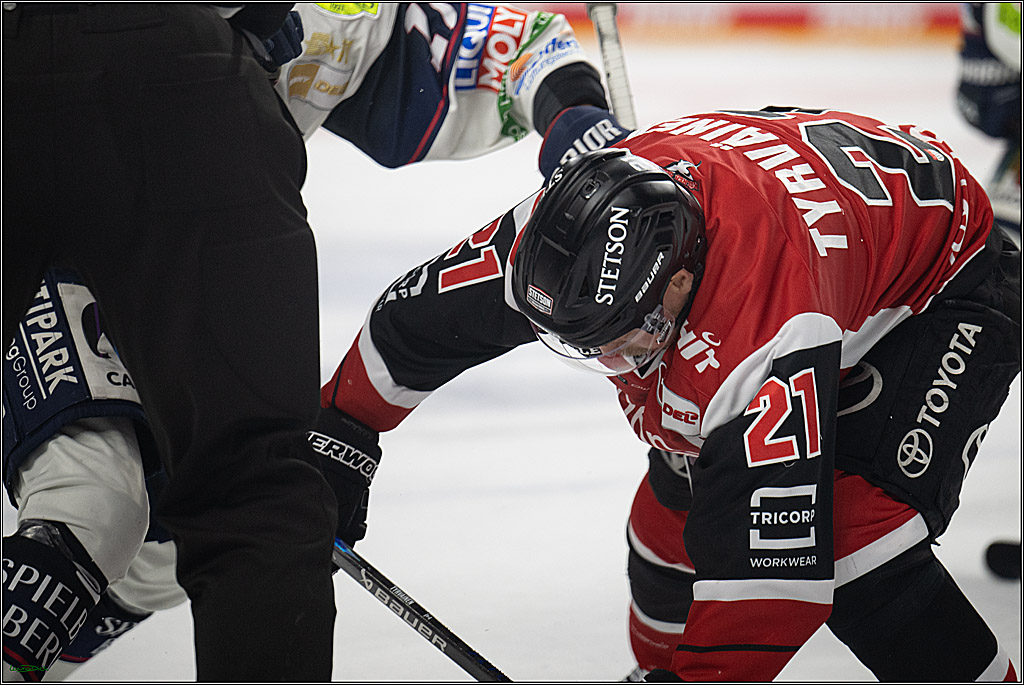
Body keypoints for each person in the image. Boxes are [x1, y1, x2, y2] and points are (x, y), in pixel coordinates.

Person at [2, 2, 619, 679]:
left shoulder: (352, 17)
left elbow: (516, 49)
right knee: (103, 505)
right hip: (46, 161)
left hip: (162, 238)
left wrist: (581, 124)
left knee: (169, 546)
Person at [313, 108, 1021, 681]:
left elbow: (774, 573)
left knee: (855, 551)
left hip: (946, 283)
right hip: (835, 238)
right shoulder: (566, 226)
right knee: (672, 516)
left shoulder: (763, 325)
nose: (610, 363)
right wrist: (343, 424)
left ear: (679, 282)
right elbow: (424, 318)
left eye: (618, 338)